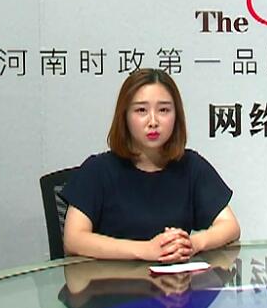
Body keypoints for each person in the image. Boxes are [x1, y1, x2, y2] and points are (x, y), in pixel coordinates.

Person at [62, 68, 240, 263]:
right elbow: (74, 239)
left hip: (175, 281)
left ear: (177, 115)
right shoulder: (98, 170)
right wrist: (145, 250)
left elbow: (230, 226)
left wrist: (193, 243)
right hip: (110, 280)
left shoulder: (190, 166)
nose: (153, 122)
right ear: (124, 116)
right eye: (141, 110)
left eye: (164, 110)